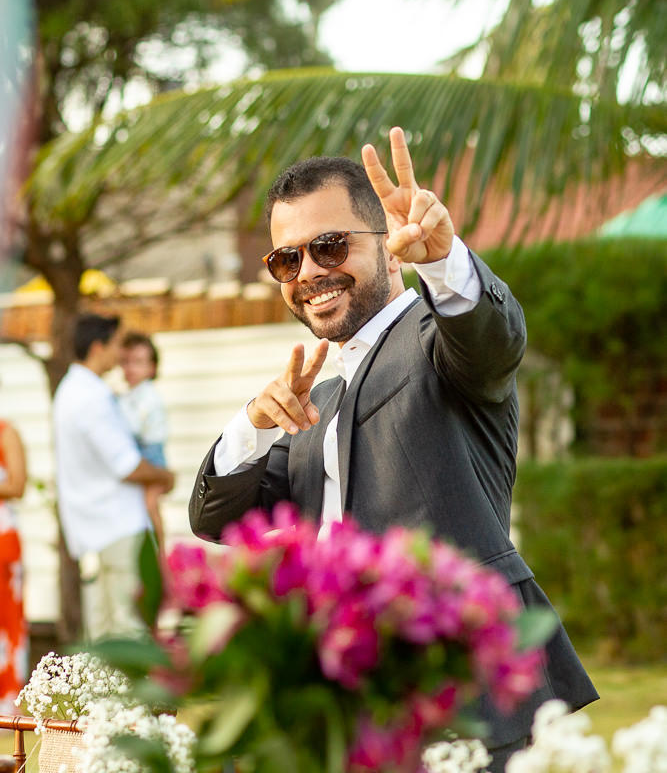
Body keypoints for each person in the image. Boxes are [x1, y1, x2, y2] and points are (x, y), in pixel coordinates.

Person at [189, 127, 598, 771]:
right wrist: (253, 426)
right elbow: (216, 518)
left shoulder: (439, 341)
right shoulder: (314, 404)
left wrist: (444, 261)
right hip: (348, 719)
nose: (309, 272)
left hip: (463, 699)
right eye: (287, 260)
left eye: (329, 246)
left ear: (387, 245)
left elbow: (491, 341)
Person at [53, 314, 175, 640]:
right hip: (116, 528)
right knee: (129, 632)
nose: (120, 354)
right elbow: (127, 465)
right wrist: (166, 477)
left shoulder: (71, 390)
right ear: (98, 347)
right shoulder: (91, 397)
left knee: (105, 636)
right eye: (117, 344)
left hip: (94, 528)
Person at [119, 332, 169, 550]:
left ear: (152, 368)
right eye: (126, 362)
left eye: (138, 362)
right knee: (141, 506)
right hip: (140, 450)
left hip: (151, 453)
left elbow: (133, 426)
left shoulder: (147, 395)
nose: (130, 368)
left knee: (150, 503)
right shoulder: (130, 395)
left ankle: (159, 551)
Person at [0, 417, 27, 712]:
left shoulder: (5, 432)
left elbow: (17, 485)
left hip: (2, 538)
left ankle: (7, 700)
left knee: (5, 618)